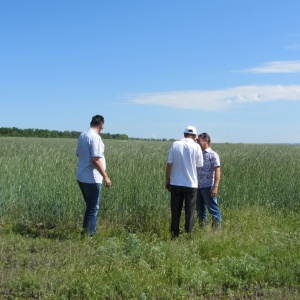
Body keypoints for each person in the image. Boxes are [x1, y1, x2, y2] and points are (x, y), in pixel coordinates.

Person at [76, 115, 112, 238]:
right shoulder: (95, 138)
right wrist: (106, 177)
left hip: (81, 175)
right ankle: (88, 236)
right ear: (101, 125)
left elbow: (78, 154)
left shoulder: (82, 135)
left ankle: (89, 229)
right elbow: (96, 159)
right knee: (93, 208)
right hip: (92, 177)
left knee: (90, 206)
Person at [165, 126, 203, 239]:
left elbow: (169, 164)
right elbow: (199, 166)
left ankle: (174, 236)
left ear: (184, 134)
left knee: (175, 211)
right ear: (195, 137)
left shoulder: (175, 144)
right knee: (190, 212)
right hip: (191, 184)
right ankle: (189, 236)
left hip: (176, 183)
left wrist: (168, 180)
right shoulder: (196, 147)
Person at [196, 132, 222, 229]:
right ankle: (203, 230)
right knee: (200, 211)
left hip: (208, 187)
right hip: (198, 187)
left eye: (199, 140)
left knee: (213, 210)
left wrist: (215, 187)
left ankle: (216, 231)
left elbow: (217, 170)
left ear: (206, 141)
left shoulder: (212, 154)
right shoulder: (198, 154)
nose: (197, 142)